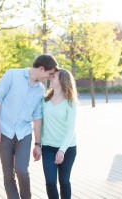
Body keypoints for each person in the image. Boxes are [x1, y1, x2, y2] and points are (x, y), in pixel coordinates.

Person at [0, 54, 59, 199]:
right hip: (4, 132)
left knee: (21, 170)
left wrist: (37, 143)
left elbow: (37, 116)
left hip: (24, 133)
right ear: (41, 69)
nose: (49, 77)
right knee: (8, 174)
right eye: (49, 73)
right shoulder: (12, 75)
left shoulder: (40, 89)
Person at [41, 68, 78, 199]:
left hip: (67, 148)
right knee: (50, 182)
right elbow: (40, 124)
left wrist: (62, 150)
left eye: (54, 76)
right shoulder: (44, 101)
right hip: (48, 147)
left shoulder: (70, 102)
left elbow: (71, 129)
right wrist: (37, 144)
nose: (50, 78)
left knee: (64, 181)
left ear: (62, 81)